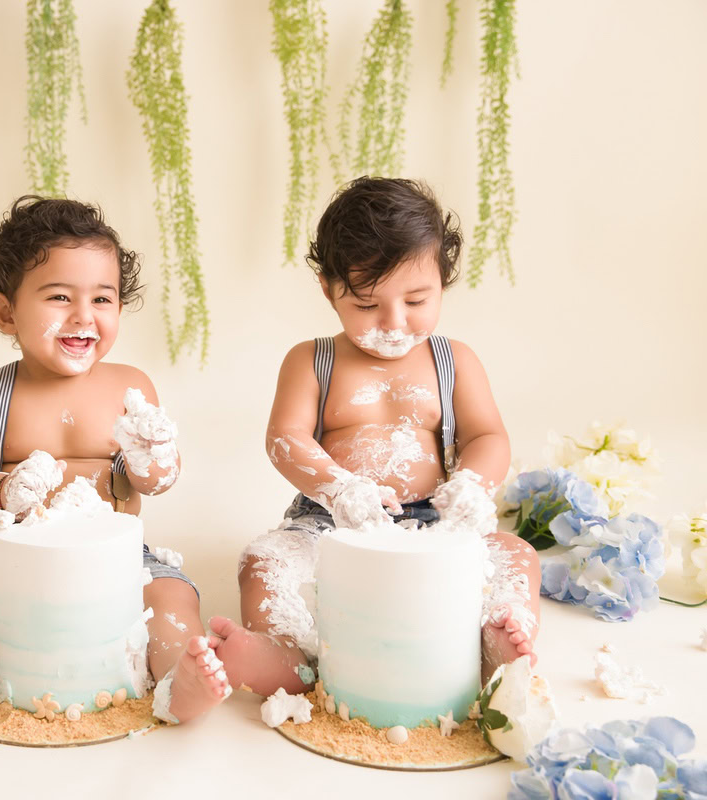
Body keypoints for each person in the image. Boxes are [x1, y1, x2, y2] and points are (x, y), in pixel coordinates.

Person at [0, 196, 228, 723]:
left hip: (112, 561)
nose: (84, 317)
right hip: (1, 551)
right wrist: (2, 490)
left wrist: (152, 455)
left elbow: (157, 480)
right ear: (6, 312)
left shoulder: (130, 387)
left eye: (103, 299)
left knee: (172, 594)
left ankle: (180, 677)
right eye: (60, 296)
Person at [211, 176, 540, 696]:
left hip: (436, 519)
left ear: (443, 281)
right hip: (329, 522)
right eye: (367, 304)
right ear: (329, 288)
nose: (393, 322)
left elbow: (489, 435)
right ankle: (283, 651)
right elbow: (286, 438)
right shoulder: (312, 360)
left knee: (512, 553)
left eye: (416, 301)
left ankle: (496, 638)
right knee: (264, 559)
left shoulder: (453, 361)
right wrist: (341, 488)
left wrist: (474, 485)